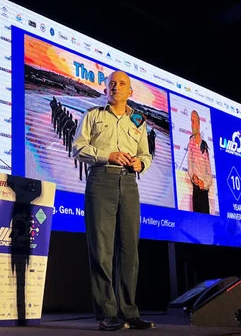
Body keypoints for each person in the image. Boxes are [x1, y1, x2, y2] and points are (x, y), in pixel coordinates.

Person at [72, 70, 154, 331]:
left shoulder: (138, 122)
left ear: (130, 91)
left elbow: (145, 154)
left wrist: (142, 163)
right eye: (111, 84)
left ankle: (129, 312)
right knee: (102, 251)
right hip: (101, 181)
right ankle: (107, 313)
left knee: (130, 251)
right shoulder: (93, 115)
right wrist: (108, 155)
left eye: (122, 84)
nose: (115, 87)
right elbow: (78, 148)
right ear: (106, 90)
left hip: (129, 184)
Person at [187, 110, 213, 214]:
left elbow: (209, 174)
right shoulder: (190, 143)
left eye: (195, 121)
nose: (193, 124)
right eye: (191, 121)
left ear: (199, 123)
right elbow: (190, 165)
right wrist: (193, 176)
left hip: (203, 190)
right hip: (195, 189)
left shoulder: (204, 146)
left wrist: (204, 183)